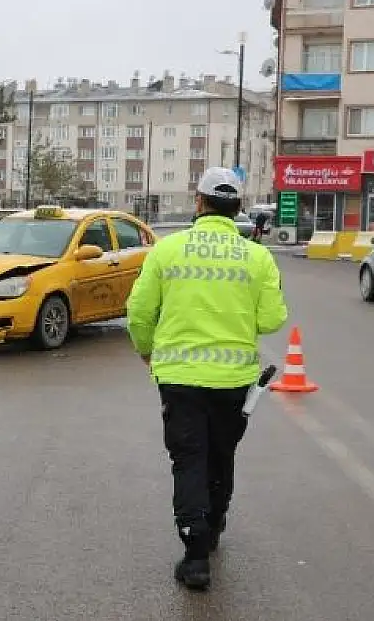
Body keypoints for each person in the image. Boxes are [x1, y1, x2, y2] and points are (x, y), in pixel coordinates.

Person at [125, 167, 289, 591]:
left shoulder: (168, 250)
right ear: (238, 209)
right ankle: (213, 527)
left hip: (179, 378)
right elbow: (272, 319)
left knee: (189, 457)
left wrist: (147, 350)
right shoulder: (256, 257)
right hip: (234, 379)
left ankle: (195, 555)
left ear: (198, 203)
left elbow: (140, 312)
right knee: (221, 454)